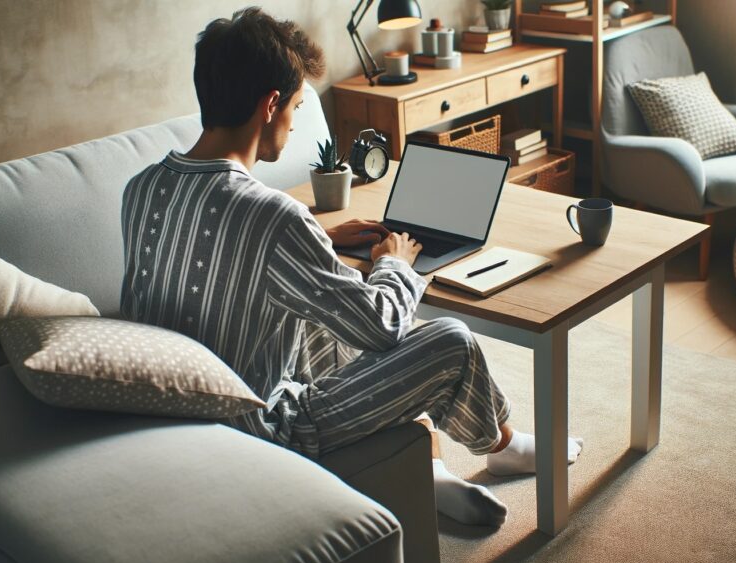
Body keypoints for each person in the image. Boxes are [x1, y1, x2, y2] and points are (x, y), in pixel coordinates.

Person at [120, 7, 582, 528]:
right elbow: (383, 329)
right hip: (260, 430)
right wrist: (396, 265)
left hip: (173, 412)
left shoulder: (142, 188)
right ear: (270, 105)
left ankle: (426, 466)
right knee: (448, 339)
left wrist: (317, 239)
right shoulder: (273, 216)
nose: (294, 124)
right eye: (296, 105)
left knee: (319, 303)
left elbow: (220, 258)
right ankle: (503, 446)